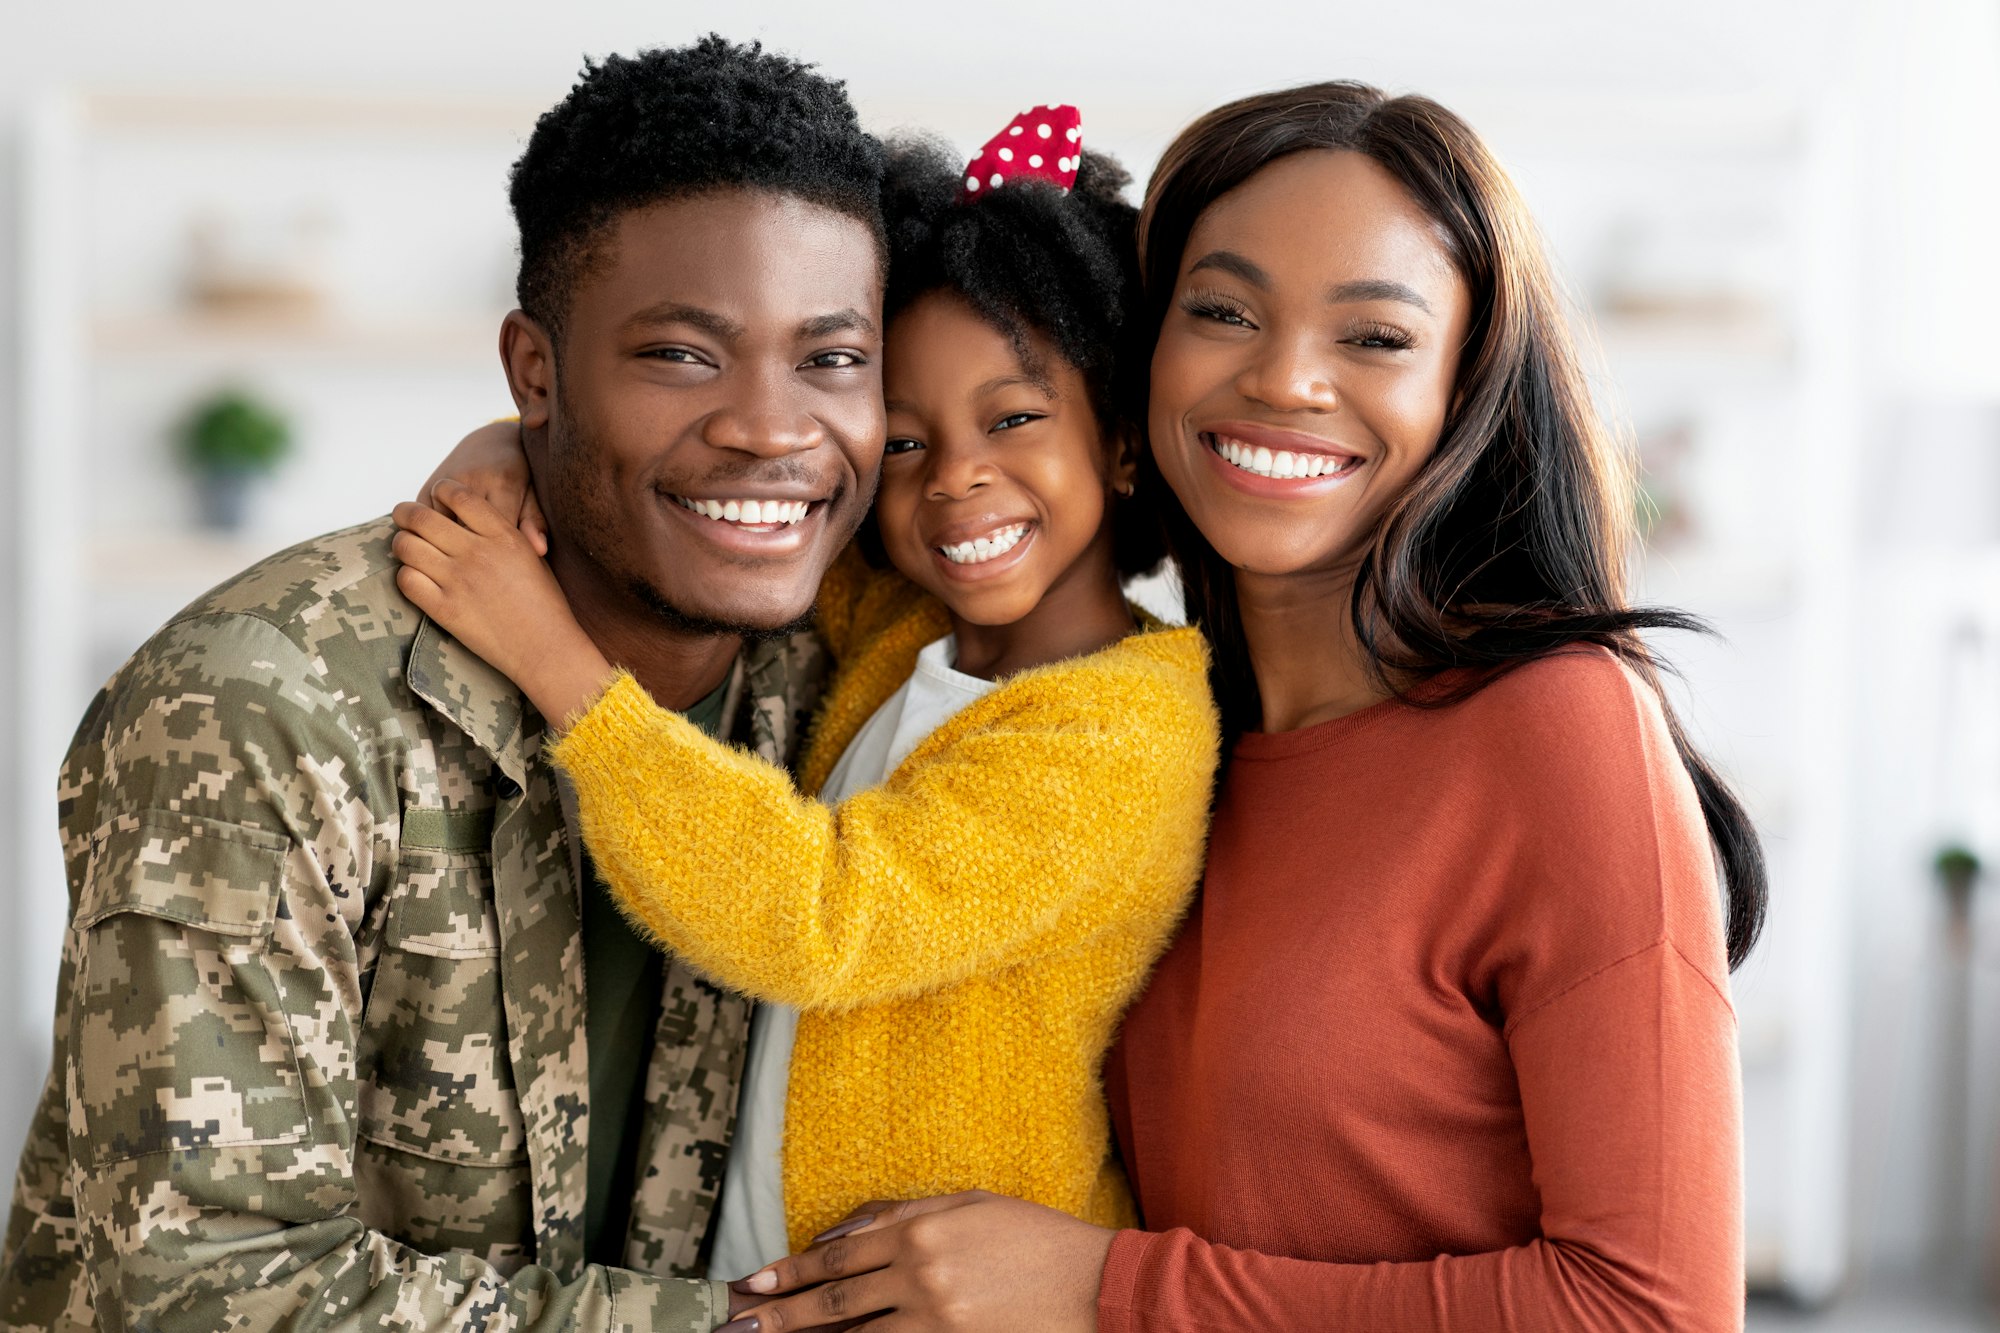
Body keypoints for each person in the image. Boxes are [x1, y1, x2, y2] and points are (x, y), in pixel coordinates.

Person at [727, 80, 1763, 1333]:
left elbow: (1650, 1312)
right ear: (1130, 361)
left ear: (1463, 385)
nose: (1283, 381)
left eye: (1372, 338)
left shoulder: (1553, 725)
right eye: (1221, 311)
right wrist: (535, 451)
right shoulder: (1143, 724)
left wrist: (1107, 1289)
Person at [0, 37, 889, 1332]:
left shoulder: (854, 687)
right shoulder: (261, 709)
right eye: (684, 356)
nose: (771, 424)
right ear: (535, 370)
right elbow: (206, 1296)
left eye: (831, 359)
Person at [391, 119, 1218, 1303]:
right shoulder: (907, 630)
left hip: (937, 1305)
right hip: (768, 1282)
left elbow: (815, 912)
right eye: (907, 440)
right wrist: (522, 440)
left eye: (1014, 419)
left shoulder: (1124, 729)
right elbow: (720, 513)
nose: (955, 478)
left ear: (1126, 446)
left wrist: (551, 658)